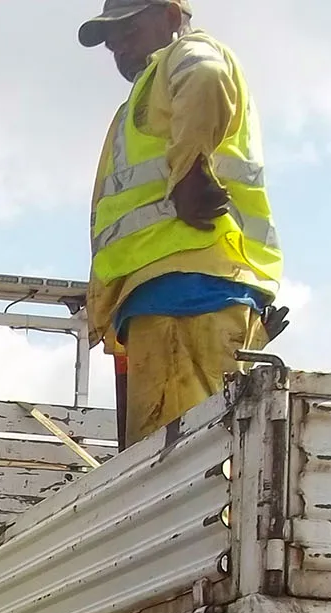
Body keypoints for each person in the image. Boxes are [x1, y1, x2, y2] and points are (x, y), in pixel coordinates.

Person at [80, 0, 285, 446]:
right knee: (197, 457)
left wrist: (189, 173)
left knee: (179, 470)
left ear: (171, 18)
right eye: (111, 42)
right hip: (180, 293)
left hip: (182, 293)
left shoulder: (187, 56)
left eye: (128, 32)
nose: (118, 48)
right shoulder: (150, 89)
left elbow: (206, 76)